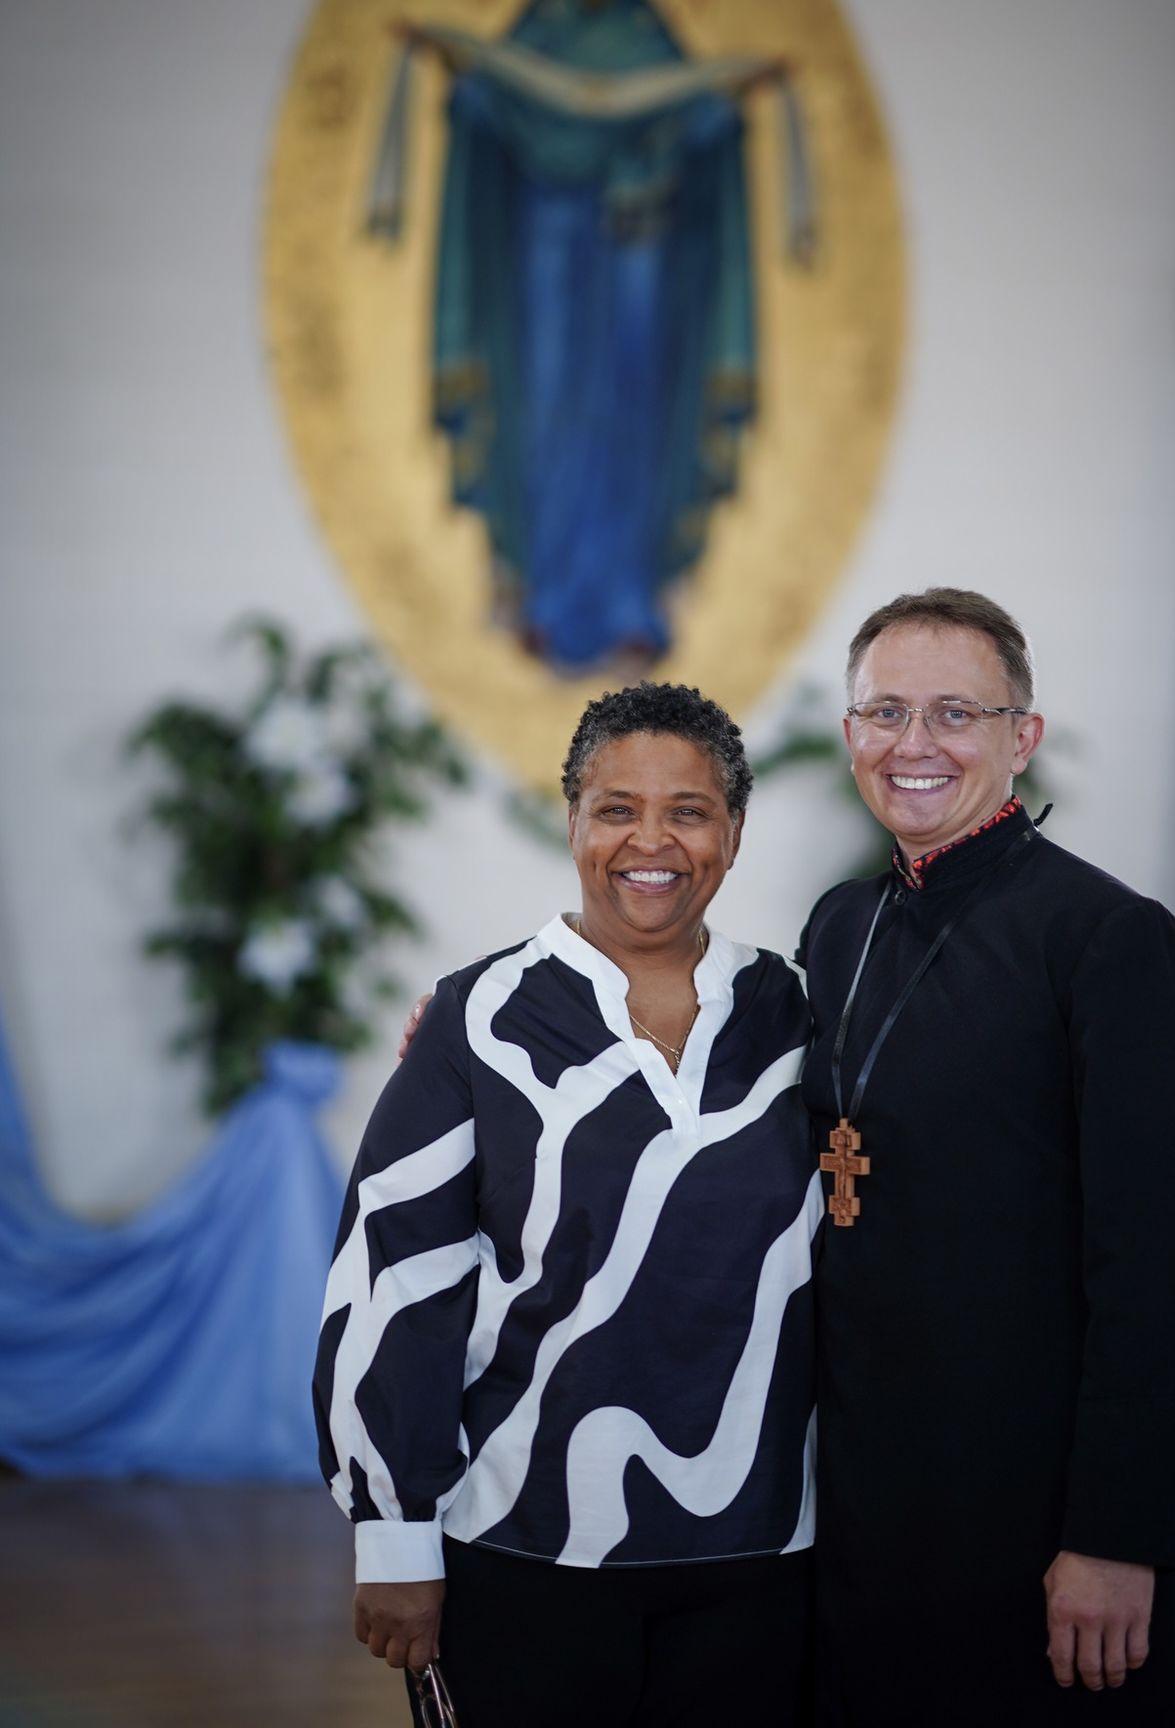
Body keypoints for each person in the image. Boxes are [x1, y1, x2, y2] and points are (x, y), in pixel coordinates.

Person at [314, 682, 819, 1728]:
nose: (651, 840)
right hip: (522, 1538)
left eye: (688, 810)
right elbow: (398, 1270)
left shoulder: (799, 1012)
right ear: (573, 821)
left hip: (768, 1545)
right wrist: (394, 1533)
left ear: (733, 832)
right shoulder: (479, 1018)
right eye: (615, 807)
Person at [801, 587, 1175, 1726]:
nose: (914, 743)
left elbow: (1164, 1270)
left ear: (1022, 737)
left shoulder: (1108, 939)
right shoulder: (840, 926)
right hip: (872, 1494)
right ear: (850, 733)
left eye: (955, 712)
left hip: (1041, 1499)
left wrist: (1117, 1534)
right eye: (886, 712)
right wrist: (474, 1023)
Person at [368, 0, 806, 671]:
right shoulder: (541, 25)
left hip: (635, 254)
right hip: (547, 248)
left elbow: (684, 116)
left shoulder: (644, 27)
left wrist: (728, 96)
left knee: (632, 416)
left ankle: (630, 594)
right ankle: (543, 589)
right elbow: (501, 102)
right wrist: (463, 73)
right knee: (545, 413)